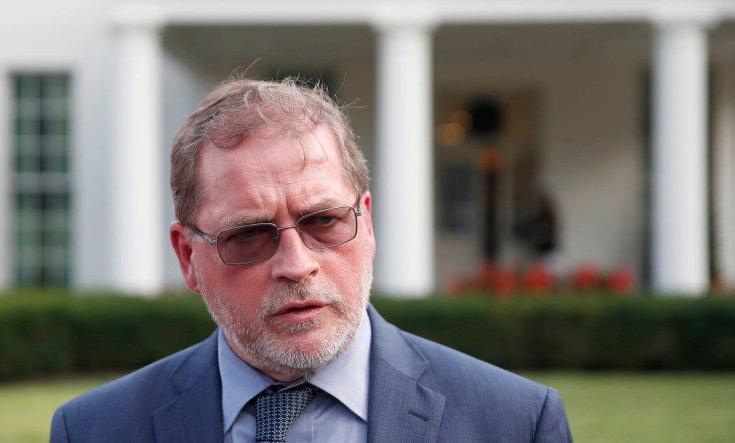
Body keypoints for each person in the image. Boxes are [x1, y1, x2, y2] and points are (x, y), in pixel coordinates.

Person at [50, 78, 573, 442]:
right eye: (249, 236)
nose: (296, 264)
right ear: (188, 257)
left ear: (366, 223)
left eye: (324, 221)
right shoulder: (94, 431)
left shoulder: (515, 423)